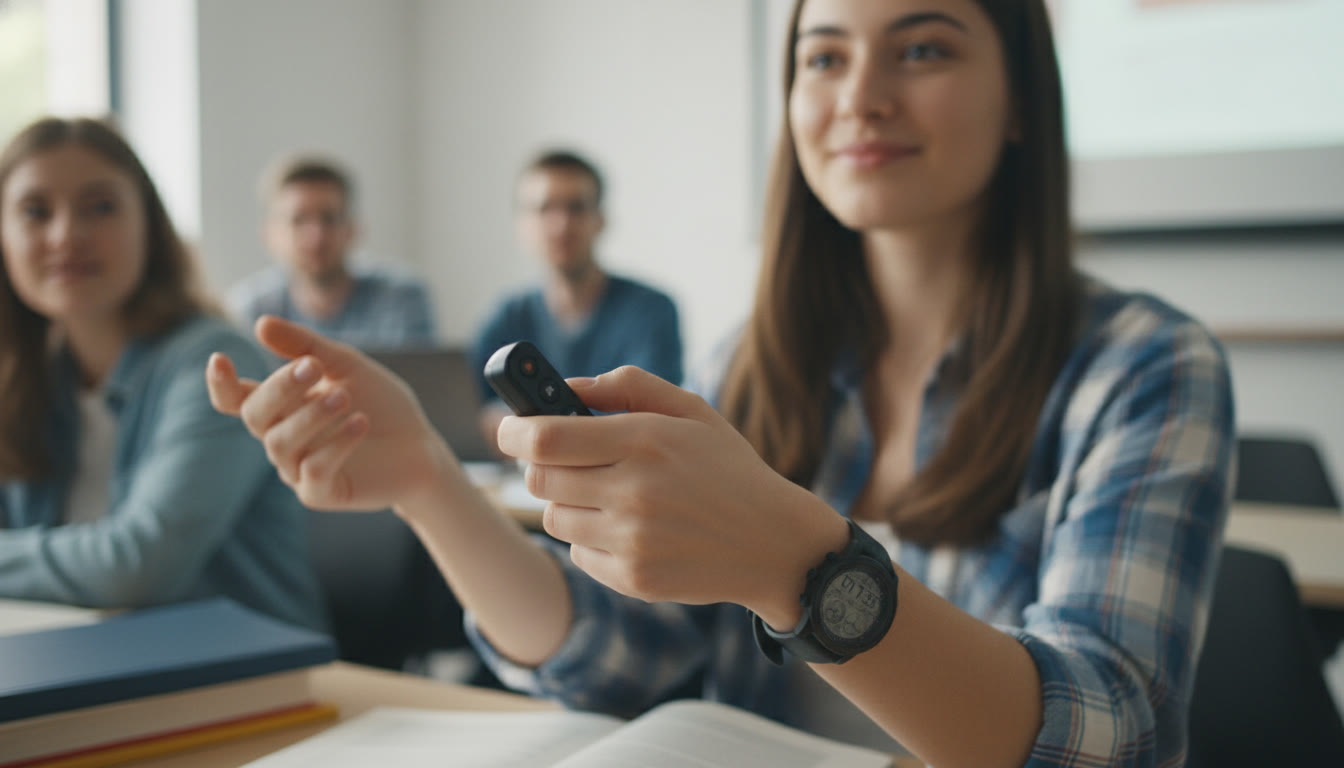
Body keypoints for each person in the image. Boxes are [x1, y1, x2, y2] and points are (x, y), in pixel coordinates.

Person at [204, 0, 1236, 764]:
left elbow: (1113, 737)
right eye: (821, 56)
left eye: (923, 48)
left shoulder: (1143, 368)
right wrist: (427, 482)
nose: (859, 97)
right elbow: (627, 659)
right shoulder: (751, 360)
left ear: (1022, 99)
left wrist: (804, 568)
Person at [0, 117, 325, 632]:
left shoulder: (215, 362)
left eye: (100, 207)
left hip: (236, 672)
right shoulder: (24, 375)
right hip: (75, 653)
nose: (66, 235)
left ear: (150, 227)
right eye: (35, 212)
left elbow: (135, 568)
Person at [473, 150, 682, 447]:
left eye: (576, 208)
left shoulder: (651, 311)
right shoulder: (506, 314)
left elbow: (650, 418)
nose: (561, 225)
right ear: (522, 225)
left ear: (601, 220)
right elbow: (470, 410)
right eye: (545, 209)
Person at [228, 155, 437, 349]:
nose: (316, 236)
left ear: (353, 229)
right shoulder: (249, 309)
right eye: (298, 220)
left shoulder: (401, 297)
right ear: (268, 234)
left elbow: (418, 386)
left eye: (329, 218)